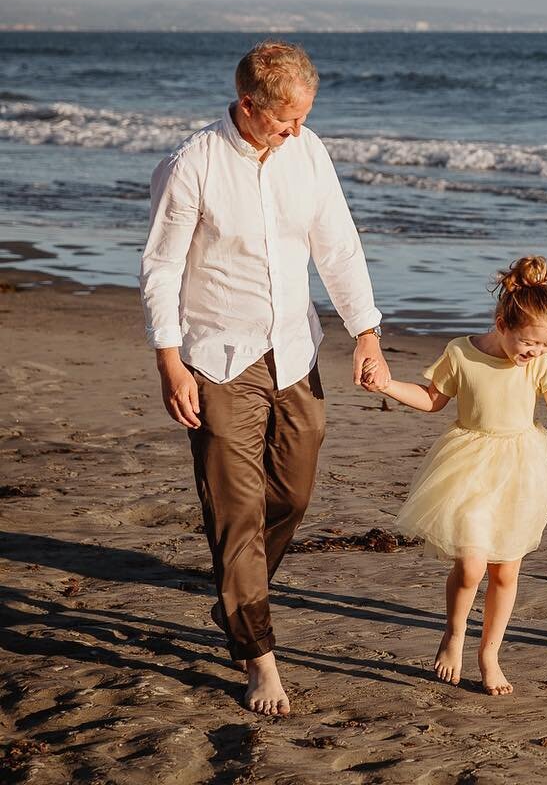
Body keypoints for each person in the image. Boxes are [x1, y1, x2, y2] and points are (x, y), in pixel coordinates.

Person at [140, 40, 390, 716]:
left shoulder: (309, 154)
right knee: (236, 515)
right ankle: (260, 658)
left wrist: (365, 330)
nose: (296, 131)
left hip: (294, 352)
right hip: (218, 358)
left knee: (294, 498)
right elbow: (161, 267)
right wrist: (169, 360)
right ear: (247, 107)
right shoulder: (193, 165)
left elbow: (337, 244)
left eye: (304, 117)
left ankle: (236, 598)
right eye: (284, 120)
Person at [362, 256, 547, 694]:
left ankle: (490, 653)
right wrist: (386, 386)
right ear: (502, 324)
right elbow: (432, 399)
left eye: (545, 346)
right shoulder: (461, 352)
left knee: (505, 572)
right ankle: (454, 635)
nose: (534, 353)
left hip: (521, 470)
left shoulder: (540, 365)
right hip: (469, 464)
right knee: (472, 565)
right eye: (528, 344)